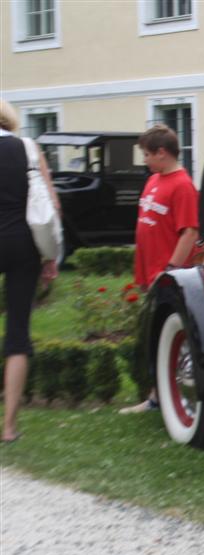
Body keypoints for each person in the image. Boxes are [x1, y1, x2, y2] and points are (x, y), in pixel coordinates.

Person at [119, 124, 199, 414]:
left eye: (147, 154)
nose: (145, 160)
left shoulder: (182, 186)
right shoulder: (153, 180)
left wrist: (169, 271)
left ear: (162, 153)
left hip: (168, 276)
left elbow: (189, 232)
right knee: (152, 335)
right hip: (149, 273)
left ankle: (165, 397)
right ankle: (155, 396)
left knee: (170, 336)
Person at [0, 99, 60, 442]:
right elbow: (48, 203)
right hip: (23, 243)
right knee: (18, 334)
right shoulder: (26, 147)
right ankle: (8, 427)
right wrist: (51, 257)